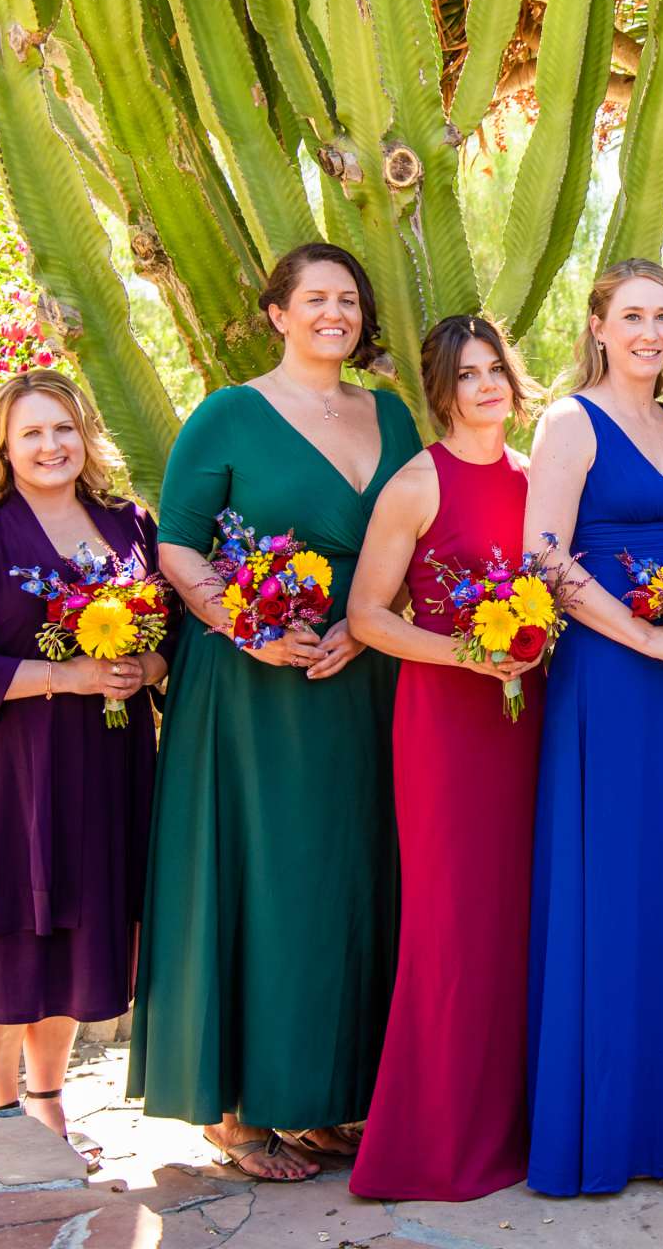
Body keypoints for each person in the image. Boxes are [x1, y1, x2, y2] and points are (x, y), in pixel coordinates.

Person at [131, 243, 422, 1184]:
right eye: (315, 298)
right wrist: (242, 625)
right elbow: (178, 548)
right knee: (265, 878)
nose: (334, 312)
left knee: (350, 878)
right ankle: (238, 1112)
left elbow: (419, 534)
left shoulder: (390, 414)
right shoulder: (226, 416)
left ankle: (325, 1099)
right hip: (254, 685)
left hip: (362, 673)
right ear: (277, 314)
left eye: (348, 298)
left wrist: (371, 628)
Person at [0, 371, 165, 1146]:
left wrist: (139, 670)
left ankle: (49, 1098)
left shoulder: (131, 527)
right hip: (0, 764)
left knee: (66, 927)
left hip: (99, 761)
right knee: (4, 926)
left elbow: (171, 644)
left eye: (63, 428)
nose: (51, 446)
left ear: (87, 434)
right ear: (3, 447)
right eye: (31, 433)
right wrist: (70, 676)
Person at [521, 259, 663, 1197]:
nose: (650, 331)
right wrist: (645, 633)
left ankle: (659, 1121)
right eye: (632, 315)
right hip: (610, 675)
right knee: (611, 889)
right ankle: (598, 1130)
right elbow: (544, 557)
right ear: (597, 325)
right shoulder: (570, 421)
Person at [344, 316, 546, 1201]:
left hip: (528, 721)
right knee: (453, 925)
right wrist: (467, 653)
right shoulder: (417, 483)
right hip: (445, 727)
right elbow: (367, 615)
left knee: (518, 922)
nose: (487, 386)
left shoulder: (541, 478)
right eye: (467, 376)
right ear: (443, 391)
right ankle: (434, 1142)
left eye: (495, 369)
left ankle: (518, 1130)